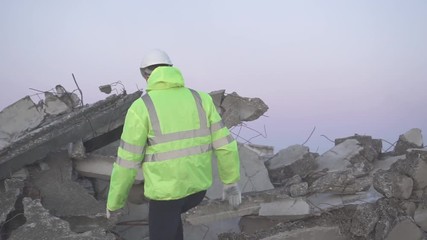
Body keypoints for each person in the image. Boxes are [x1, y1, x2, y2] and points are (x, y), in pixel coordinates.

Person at [106, 49, 241, 240]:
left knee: (165, 226)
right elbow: (226, 145)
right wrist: (231, 182)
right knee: (173, 226)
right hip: (197, 190)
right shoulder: (201, 99)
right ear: (171, 68)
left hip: (165, 195)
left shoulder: (141, 107)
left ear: (145, 74)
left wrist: (115, 204)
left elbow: (127, 162)